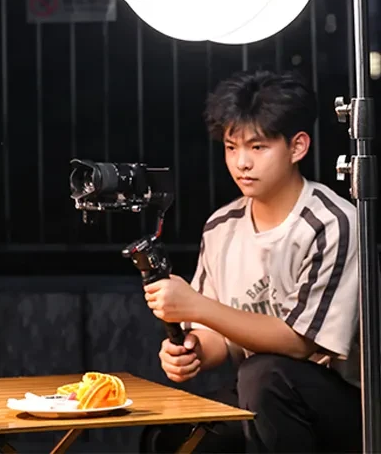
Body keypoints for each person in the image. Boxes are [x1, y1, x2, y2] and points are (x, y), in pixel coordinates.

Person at [141, 70, 360, 453]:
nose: (242, 162)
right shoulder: (221, 226)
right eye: (231, 147)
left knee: (263, 373)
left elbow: (299, 343)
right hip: (261, 394)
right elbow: (218, 338)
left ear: (297, 147)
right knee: (169, 433)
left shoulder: (331, 222)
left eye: (258, 147)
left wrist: (196, 305)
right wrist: (191, 351)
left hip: (346, 406)